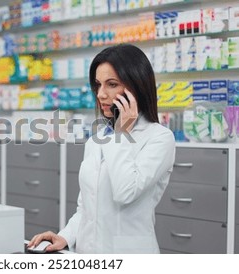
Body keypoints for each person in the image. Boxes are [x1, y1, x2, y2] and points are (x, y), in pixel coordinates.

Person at [28, 44, 176, 254]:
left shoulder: (159, 138)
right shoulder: (97, 140)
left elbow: (125, 192)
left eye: (112, 84)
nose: (101, 94)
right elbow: (87, 208)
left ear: (137, 86)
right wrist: (65, 236)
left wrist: (120, 135)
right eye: (98, 85)